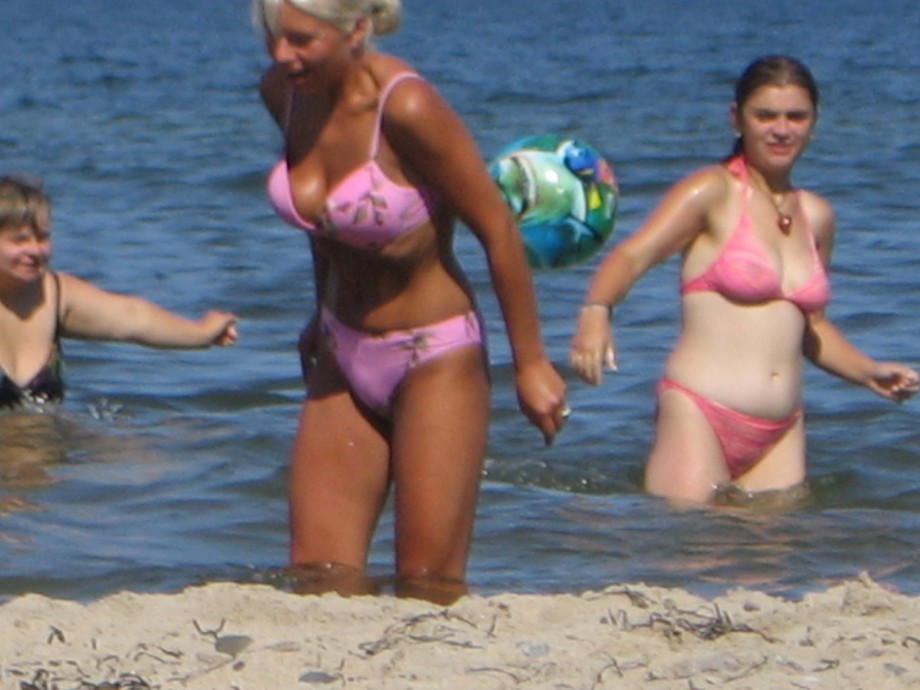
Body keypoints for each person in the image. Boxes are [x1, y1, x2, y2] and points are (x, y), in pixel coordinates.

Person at [251, 0, 567, 599]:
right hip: (342, 349)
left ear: (357, 30)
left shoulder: (408, 107)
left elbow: (496, 228)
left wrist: (531, 363)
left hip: (434, 354)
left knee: (427, 587)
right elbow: (324, 223)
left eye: (300, 39)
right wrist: (320, 311)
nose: (281, 55)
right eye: (273, 36)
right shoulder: (282, 93)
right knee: (318, 579)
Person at [569, 55, 918, 506]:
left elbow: (810, 328)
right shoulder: (711, 192)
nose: (781, 129)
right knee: (689, 558)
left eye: (796, 116)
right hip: (701, 412)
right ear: (737, 119)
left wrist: (866, 371)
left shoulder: (817, 216)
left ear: (814, 122)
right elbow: (634, 256)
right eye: (765, 115)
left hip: (781, 430)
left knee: (774, 570)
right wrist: (596, 311)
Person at [0, 174, 238, 411]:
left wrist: (202, 333)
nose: (35, 250)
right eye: (19, 240)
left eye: (43, 238)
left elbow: (133, 317)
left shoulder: (54, 294)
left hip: (47, 444)